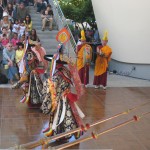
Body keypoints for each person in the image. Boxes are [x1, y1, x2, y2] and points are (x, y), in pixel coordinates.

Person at [41, 43, 85, 141]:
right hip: (65, 96)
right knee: (68, 115)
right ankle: (71, 131)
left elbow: (53, 86)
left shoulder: (58, 73)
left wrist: (46, 84)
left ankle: (61, 134)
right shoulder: (65, 70)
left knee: (61, 115)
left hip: (61, 98)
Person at [12, 41, 47, 108]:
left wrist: (26, 73)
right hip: (33, 72)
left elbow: (30, 65)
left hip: (31, 73)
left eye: (25, 45)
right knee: (35, 88)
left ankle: (35, 103)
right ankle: (36, 103)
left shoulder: (29, 53)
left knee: (33, 88)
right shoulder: (31, 52)